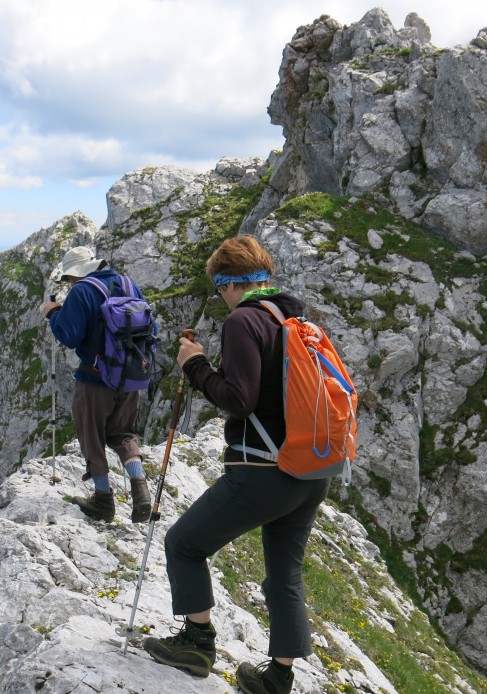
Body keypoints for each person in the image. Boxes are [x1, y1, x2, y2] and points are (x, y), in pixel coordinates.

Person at [142, 236, 327, 694]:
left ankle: (197, 643)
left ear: (228, 283)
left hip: (264, 470)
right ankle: (278, 679)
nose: (220, 297)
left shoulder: (244, 320)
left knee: (183, 543)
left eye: (218, 287)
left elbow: (239, 400)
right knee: (285, 573)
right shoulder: (293, 319)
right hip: (312, 470)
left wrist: (196, 365)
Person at [40, 246, 152, 524]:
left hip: (95, 379)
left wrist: (53, 313)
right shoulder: (128, 284)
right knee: (123, 434)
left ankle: (103, 500)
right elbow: (151, 328)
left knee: (92, 436)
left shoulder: (81, 291)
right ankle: (140, 489)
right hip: (130, 377)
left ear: (75, 275)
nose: (70, 283)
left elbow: (69, 336)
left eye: (69, 278)